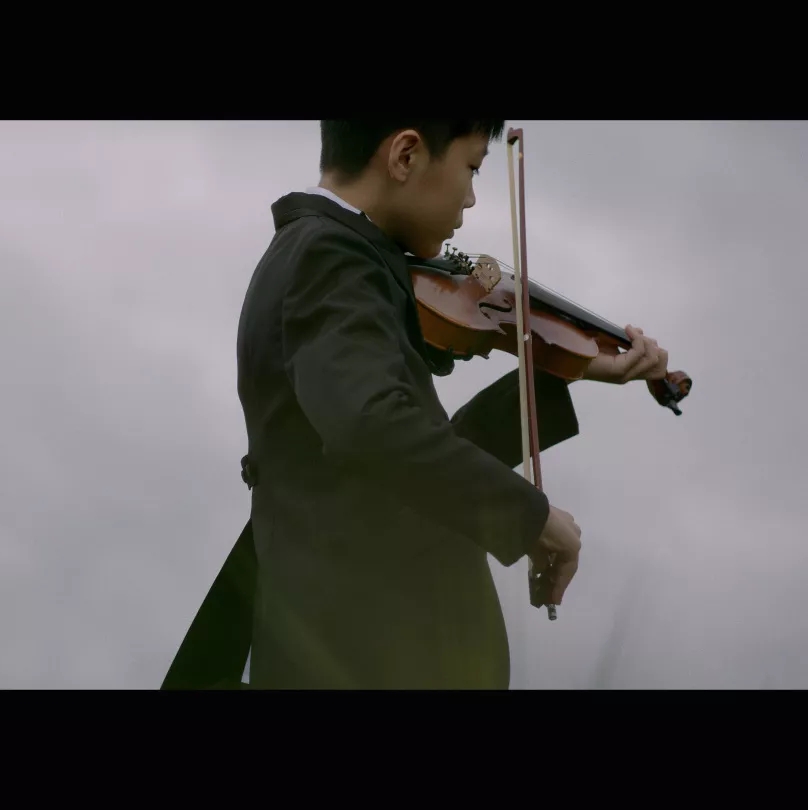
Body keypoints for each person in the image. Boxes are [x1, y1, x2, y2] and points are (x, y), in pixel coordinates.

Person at [161, 120, 669, 690]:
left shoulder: (331, 256)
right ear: (405, 155)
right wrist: (528, 517)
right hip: (366, 657)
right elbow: (372, 425)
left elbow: (388, 464)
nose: (471, 197)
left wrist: (563, 369)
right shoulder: (332, 257)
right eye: (471, 167)